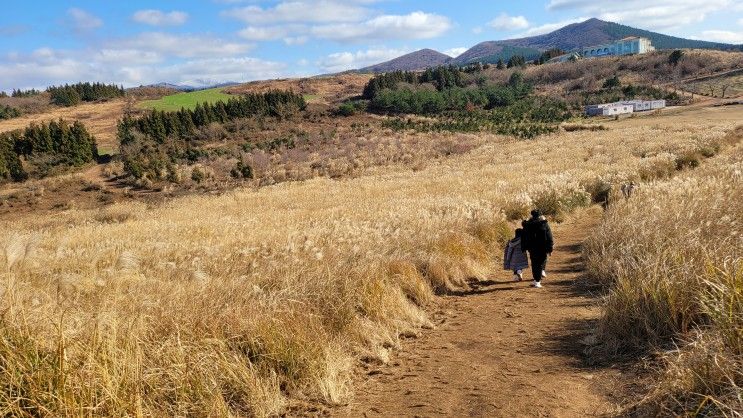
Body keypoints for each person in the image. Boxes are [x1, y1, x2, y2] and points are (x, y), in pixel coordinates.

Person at [520, 210, 554, 288]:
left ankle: (537, 281)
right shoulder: (544, 224)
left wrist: (524, 248)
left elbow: (523, 237)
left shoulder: (528, 224)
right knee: (541, 262)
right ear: (540, 215)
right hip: (543, 247)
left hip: (532, 248)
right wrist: (550, 249)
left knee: (535, 264)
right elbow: (549, 237)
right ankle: (539, 278)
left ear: (532, 215)